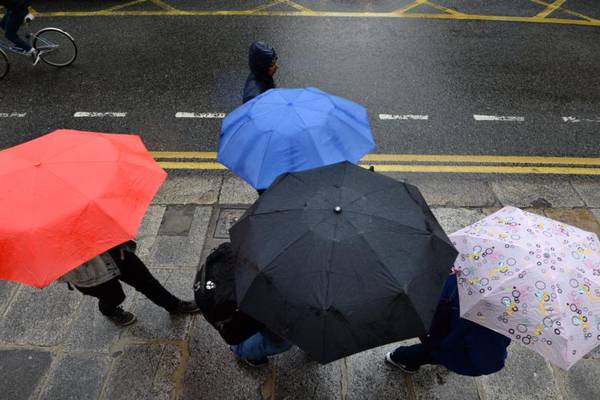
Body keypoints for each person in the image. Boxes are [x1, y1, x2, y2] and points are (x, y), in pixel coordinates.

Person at [385, 273, 511, 376]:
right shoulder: (494, 320)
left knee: (432, 348)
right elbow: (488, 362)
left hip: (438, 321)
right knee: (429, 353)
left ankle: (400, 356)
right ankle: (399, 356)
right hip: (450, 346)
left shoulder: (460, 272)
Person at [60, 241, 200, 326]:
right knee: (115, 297)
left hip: (116, 253)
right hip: (88, 274)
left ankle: (174, 305)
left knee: (147, 282)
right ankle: (108, 310)